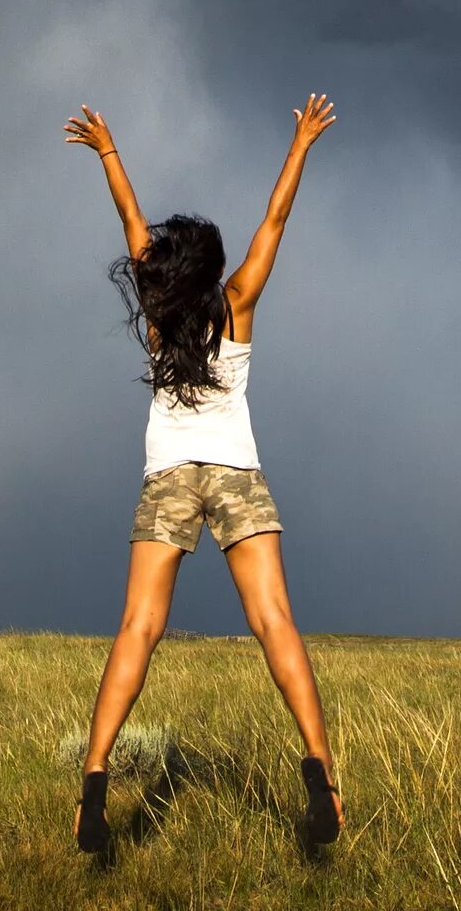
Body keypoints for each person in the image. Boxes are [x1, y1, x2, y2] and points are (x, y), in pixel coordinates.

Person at [63, 92, 342, 855]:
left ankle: (94, 783)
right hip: (236, 474)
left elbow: (131, 225)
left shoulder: (158, 320)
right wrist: (302, 146)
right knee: (274, 621)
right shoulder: (239, 305)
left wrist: (108, 151)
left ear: (166, 273)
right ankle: (320, 777)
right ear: (214, 270)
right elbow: (274, 221)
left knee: (138, 629)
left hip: (168, 479)